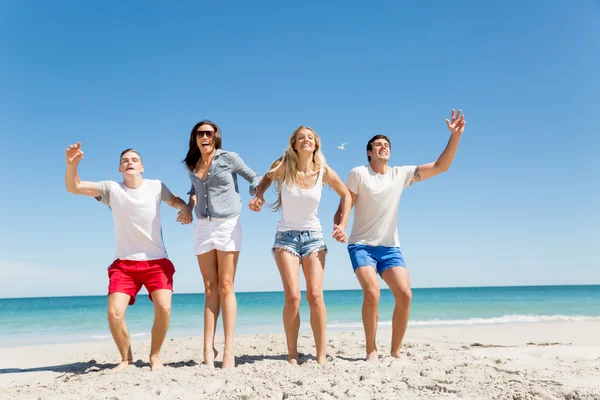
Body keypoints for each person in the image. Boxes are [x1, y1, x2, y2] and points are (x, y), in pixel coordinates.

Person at [334, 109, 467, 362]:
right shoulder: (358, 174)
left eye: (387, 145)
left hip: (390, 247)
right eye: (378, 145)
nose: (383, 147)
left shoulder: (401, 174)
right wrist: (341, 225)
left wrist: (455, 136)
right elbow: (346, 203)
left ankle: (394, 351)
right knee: (372, 293)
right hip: (361, 245)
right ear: (369, 152)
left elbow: (441, 166)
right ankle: (371, 350)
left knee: (405, 294)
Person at [65, 142, 193, 371]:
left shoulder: (155, 186)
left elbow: (174, 200)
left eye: (134, 160)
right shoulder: (111, 189)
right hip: (124, 264)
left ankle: (155, 357)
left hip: (157, 262)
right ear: (119, 169)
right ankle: (126, 359)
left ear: (142, 166)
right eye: (125, 161)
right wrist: (72, 165)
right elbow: (74, 187)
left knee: (164, 308)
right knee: (114, 312)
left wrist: (185, 209)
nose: (130, 162)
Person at [248, 125, 352, 365]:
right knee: (293, 297)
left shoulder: (323, 171)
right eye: (301, 138)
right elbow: (265, 179)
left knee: (315, 295)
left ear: (315, 144)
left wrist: (342, 225)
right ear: (294, 144)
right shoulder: (285, 166)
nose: (306, 140)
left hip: (314, 237)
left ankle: (321, 355)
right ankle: (293, 355)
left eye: (310, 138)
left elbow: (346, 194)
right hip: (286, 238)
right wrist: (259, 196)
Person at [180, 120, 261, 369]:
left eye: (209, 133)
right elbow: (193, 191)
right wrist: (188, 208)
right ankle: (207, 348)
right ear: (195, 138)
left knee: (226, 285)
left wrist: (257, 196)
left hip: (228, 223)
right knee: (209, 288)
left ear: (216, 137)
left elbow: (254, 177)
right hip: (203, 226)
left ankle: (229, 349)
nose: (205, 137)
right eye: (200, 133)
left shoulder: (229, 158)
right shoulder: (191, 164)